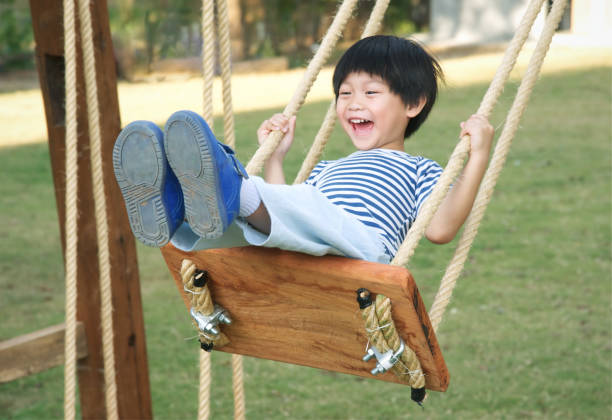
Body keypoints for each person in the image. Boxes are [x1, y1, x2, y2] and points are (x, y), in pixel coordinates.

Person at [112, 35, 494, 264]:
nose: (354, 103)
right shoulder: (328, 168)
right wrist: (276, 157)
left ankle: (230, 183)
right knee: (239, 232)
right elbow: (288, 209)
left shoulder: (418, 169)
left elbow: (440, 229)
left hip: (360, 249)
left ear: (413, 104)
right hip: (308, 247)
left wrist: (478, 156)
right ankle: (176, 206)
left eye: (371, 92)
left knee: (297, 208)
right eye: (345, 93)